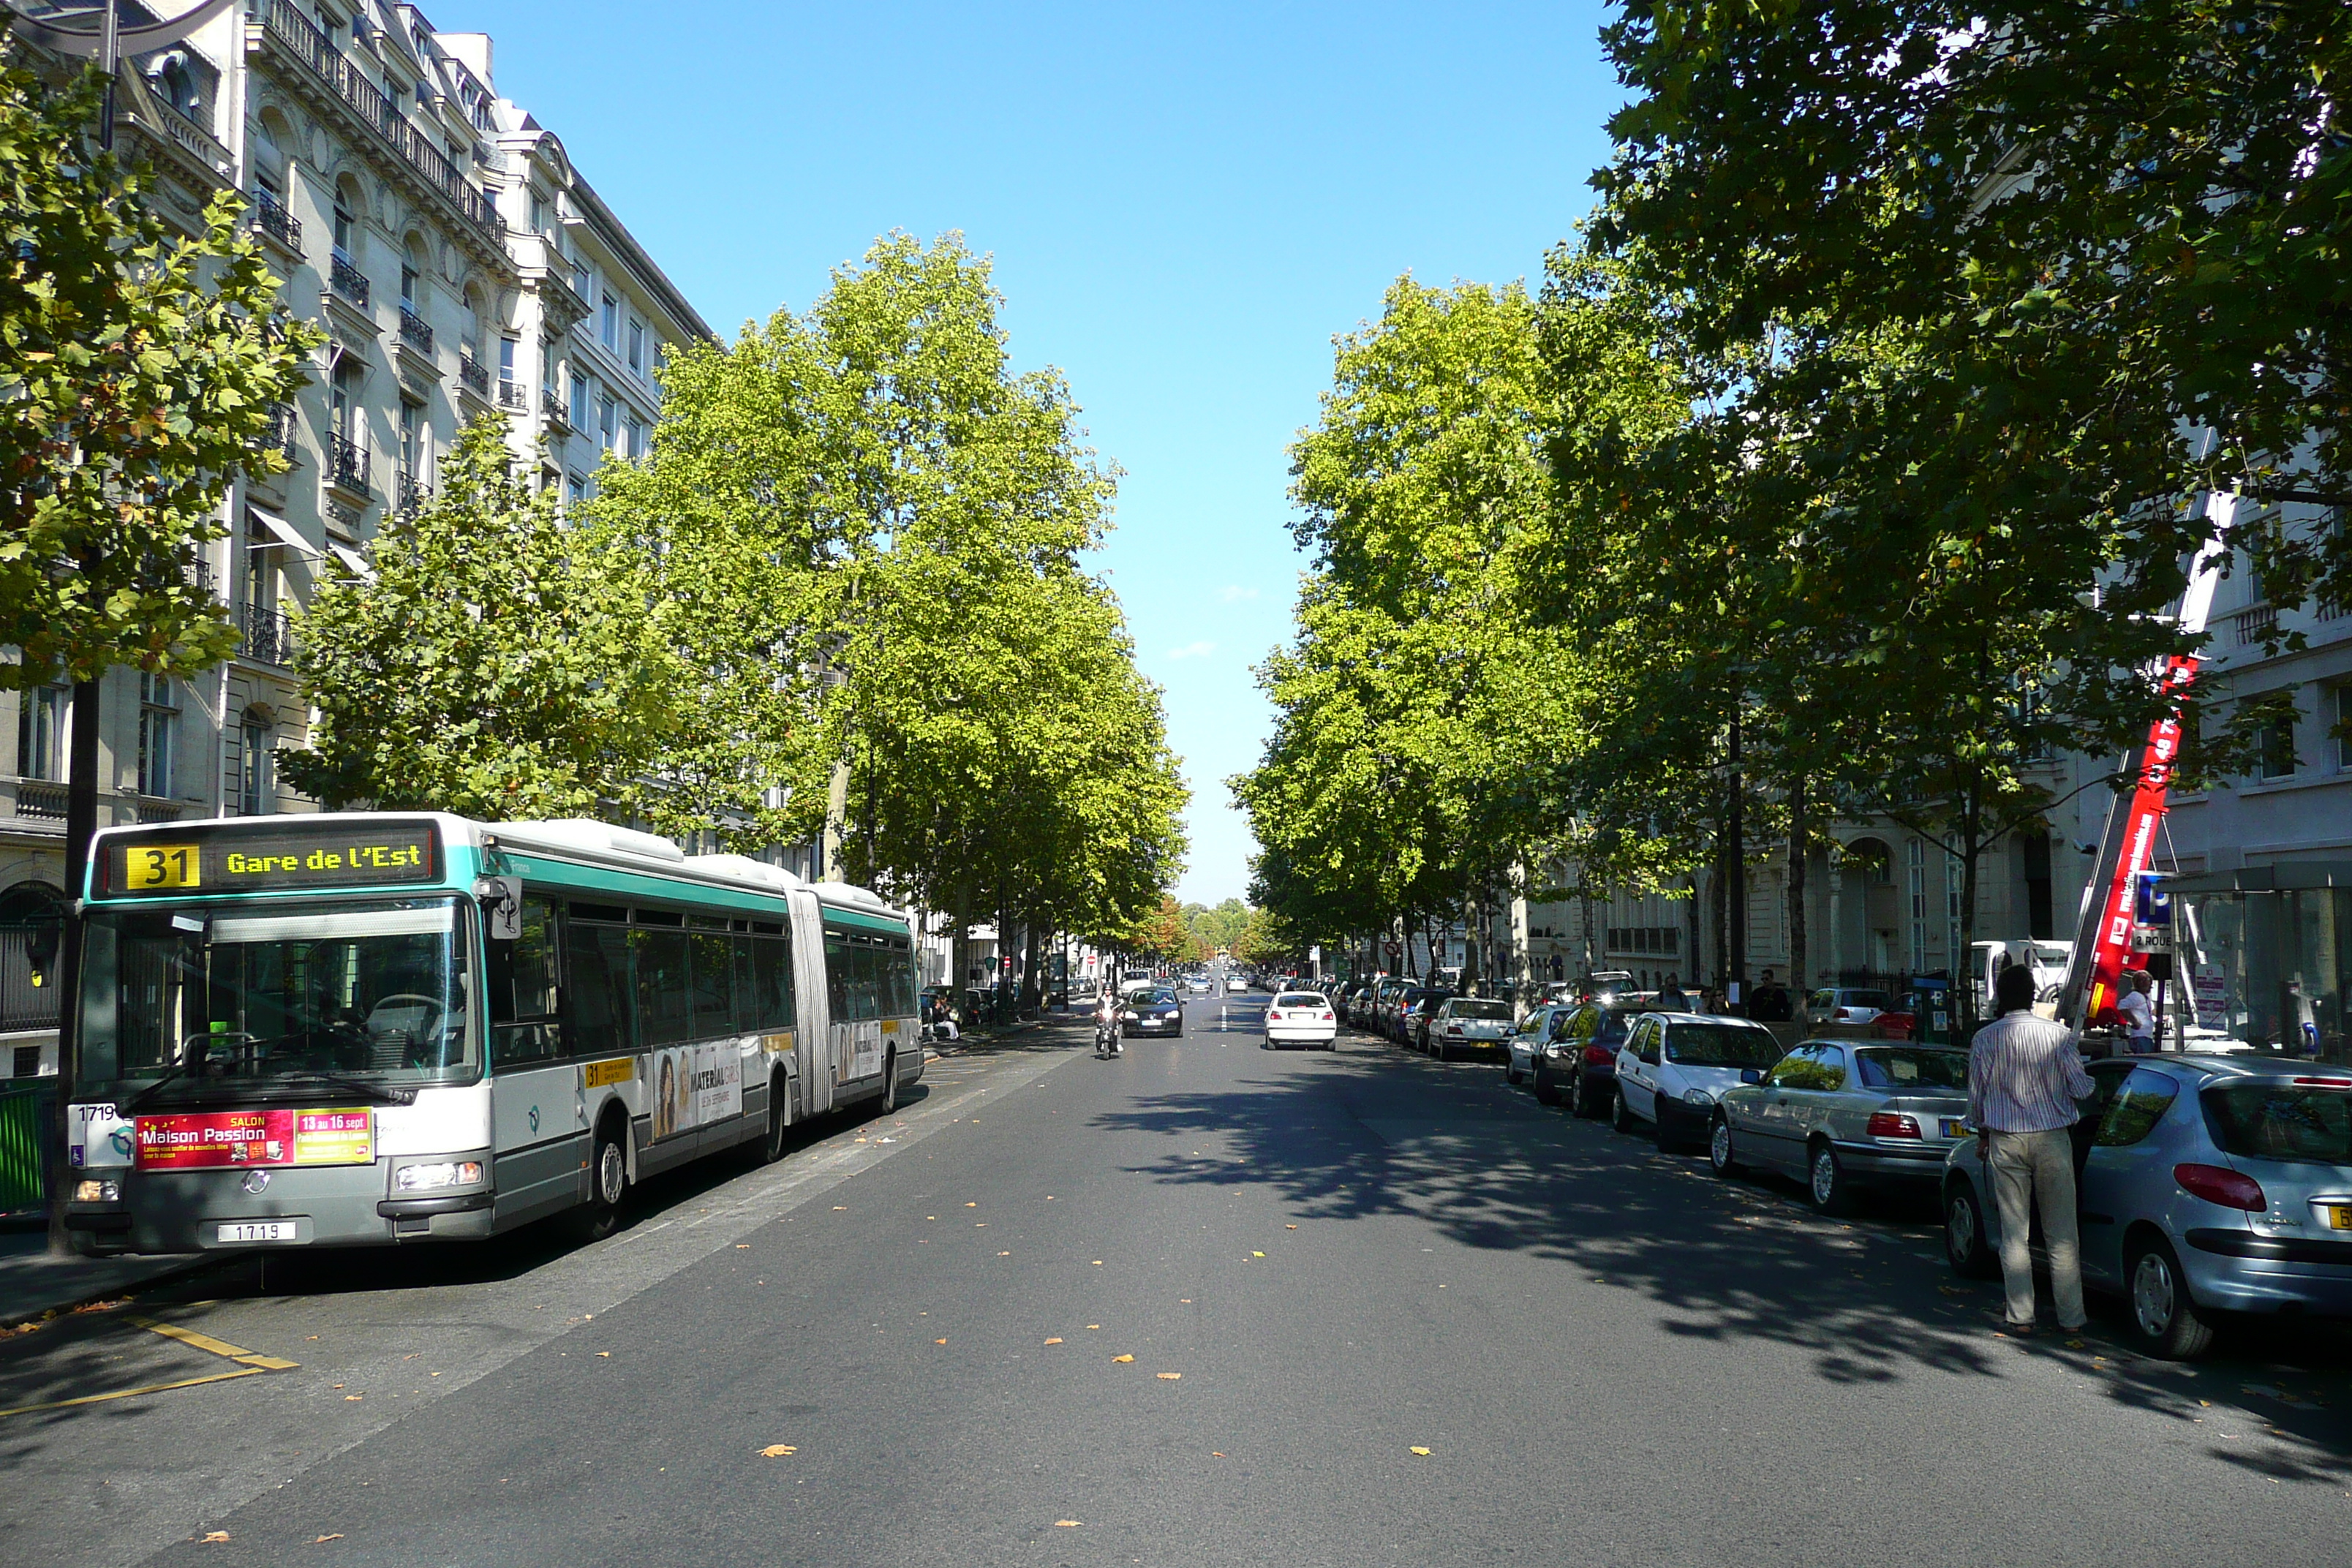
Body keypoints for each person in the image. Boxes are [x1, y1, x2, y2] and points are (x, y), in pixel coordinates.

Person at [1969, 963, 2095, 1336]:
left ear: (2001, 997)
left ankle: (2021, 1315)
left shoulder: (1985, 1039)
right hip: (2054, 1138)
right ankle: (2071, 1318)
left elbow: (1977, 1096)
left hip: (2006, 1139)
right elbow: (2081, 1089)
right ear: (2032, 995)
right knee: (2062, 1234)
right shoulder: (2058, 1036)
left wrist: (1982, 1134)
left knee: (2014, 1234)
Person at [2115, 969, 2155, 1052]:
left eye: (2147, 980)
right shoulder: (2135, 996)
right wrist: (2135, 1022)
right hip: (2140, 1036)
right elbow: (2122, 1006)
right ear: (2136, 983)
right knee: (2144, 1061)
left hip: (2147, 1035)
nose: (2145, 983)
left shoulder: (2145, 997)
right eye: (2141, 980)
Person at [1093, 987, 1122, 1058]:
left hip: (1112, 1017)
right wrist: (1096, 1012)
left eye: (1109, 990)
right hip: (1103, 1017)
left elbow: (1119, 1008)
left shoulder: (1115, 999)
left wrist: (1120, 1013)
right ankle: (1098, 1042)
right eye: (1106, 990)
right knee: (1098, 1027)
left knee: (1118, 1026)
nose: (1107, 991)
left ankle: (1118, 1043)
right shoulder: (1101, 1000)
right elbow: (1097, 1007)